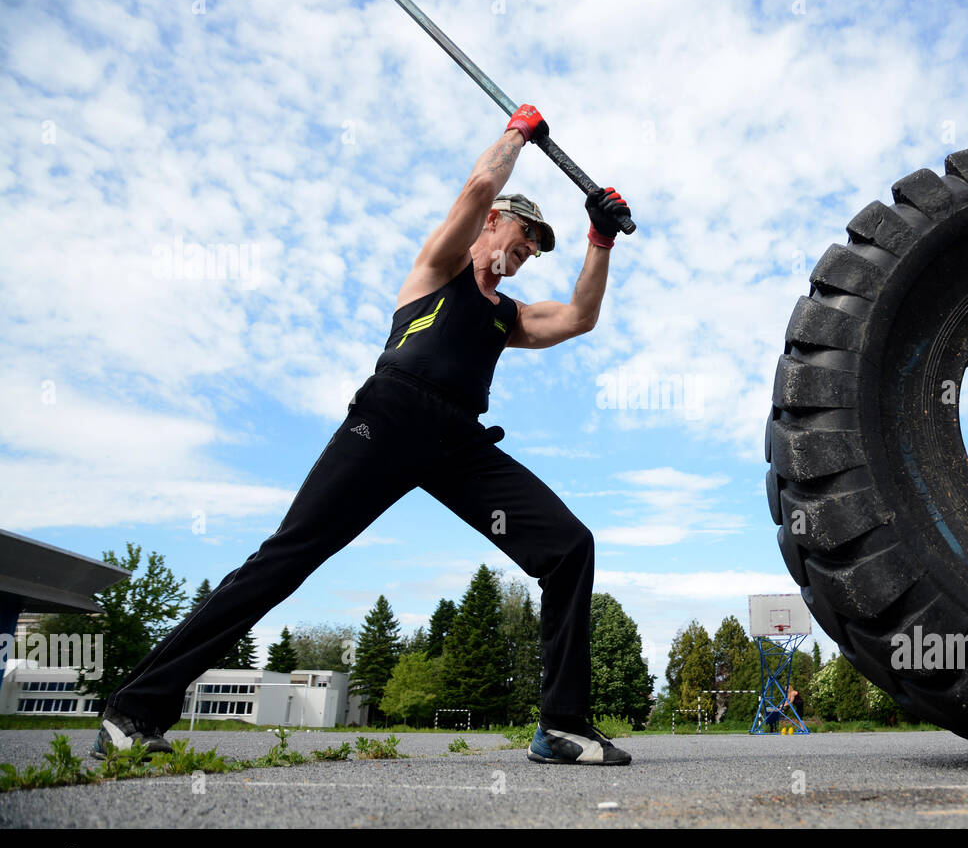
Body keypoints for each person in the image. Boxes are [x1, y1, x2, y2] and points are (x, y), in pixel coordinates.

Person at [94, 104, 634, 766]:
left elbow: (580, 316)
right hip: (390, 417)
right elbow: (476, 189)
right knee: (288, 555)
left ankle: (561, 725)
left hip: (458, 442)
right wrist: (516, 134)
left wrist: (598, 241)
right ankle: (133, 708)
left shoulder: (511, 316)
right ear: (495, 222)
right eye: (524, 232)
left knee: (569, 545)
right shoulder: (441, 266)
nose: (527, 249)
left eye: (536, 246)